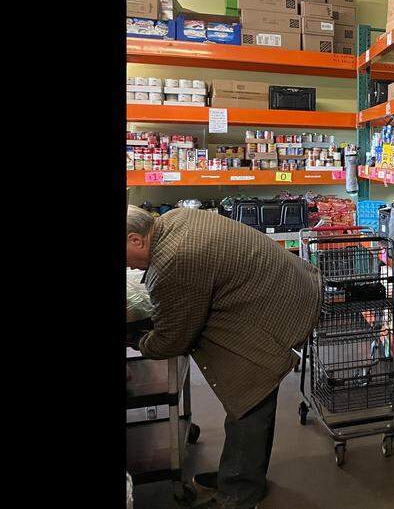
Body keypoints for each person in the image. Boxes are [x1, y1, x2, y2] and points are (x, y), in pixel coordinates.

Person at [126, 205, 321, 509]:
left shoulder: (173, 260)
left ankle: (239, 495)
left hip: (278, 305)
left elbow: (172, 339)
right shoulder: (171, 221)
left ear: (136, 240)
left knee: (250, 390)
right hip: (278, 287)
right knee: (252, 397)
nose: (128, 266)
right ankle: (240, 475)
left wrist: (139, 340)